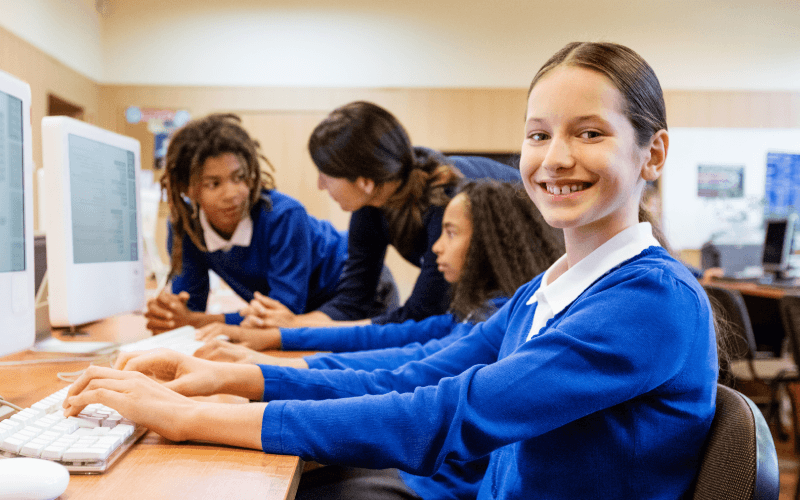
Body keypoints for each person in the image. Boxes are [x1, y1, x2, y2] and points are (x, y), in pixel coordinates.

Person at [64, 42, 718, 499]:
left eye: (590, 133)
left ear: (652, 152)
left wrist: (190, 416)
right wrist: (232, 376)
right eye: (539, 133)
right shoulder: (545, 292)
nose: (554, 157)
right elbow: (416, 369)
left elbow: (444, 414)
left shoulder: (650, 301)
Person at [191, 181, 564, 369]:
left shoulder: (494, 320)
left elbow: (405, 370)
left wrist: (272, 367)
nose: (434, 248)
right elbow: (390, 336)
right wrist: (270, 342)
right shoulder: (473, 312)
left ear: (488, 243)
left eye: (449, 233)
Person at [242, 101, 521, 329]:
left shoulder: (448, 199)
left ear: (364, 181)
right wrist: (296, 324)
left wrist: (299, 329)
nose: (320, 185)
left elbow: (420, 316)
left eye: (326, 174)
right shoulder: (372, 205)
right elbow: (353, 300)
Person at [144, 113, 368, 333]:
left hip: (353, 288)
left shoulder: (284, 216)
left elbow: (282, 311)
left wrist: (196, 321)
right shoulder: (187, 228)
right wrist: (170, 315)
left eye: (239, 177)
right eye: (213, 183)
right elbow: (190, 310)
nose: (231, 193)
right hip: (300, 315)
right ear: (187, 188)